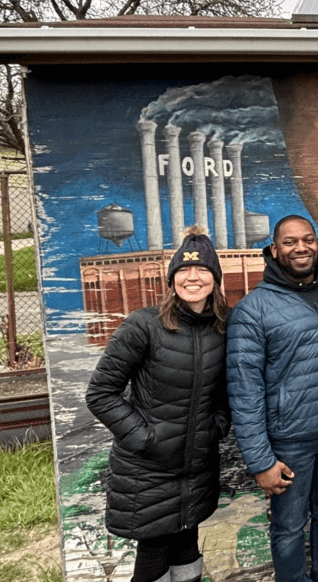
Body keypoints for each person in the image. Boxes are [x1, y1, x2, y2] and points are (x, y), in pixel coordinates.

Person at [226, 215, 318, 582]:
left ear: (317, 244)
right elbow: (244, 392)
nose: (301, 248)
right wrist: (261, 461)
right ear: (274, 250)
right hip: (288, 442)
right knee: (289, 527)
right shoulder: (253, 310)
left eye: (308, 240)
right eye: (290, 242)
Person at [86, 226, 230, 582]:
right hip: (148, 471)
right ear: (171, 278)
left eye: (202, 271)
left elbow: (227, 394)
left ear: (215, 278)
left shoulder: (223, 330)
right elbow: (101, 393)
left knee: (186, 543)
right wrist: (145, 439)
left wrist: (216, 428)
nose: (192, 278)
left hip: (196, 467)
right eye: (183, 270)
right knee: (153, 554)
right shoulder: (143, 326)